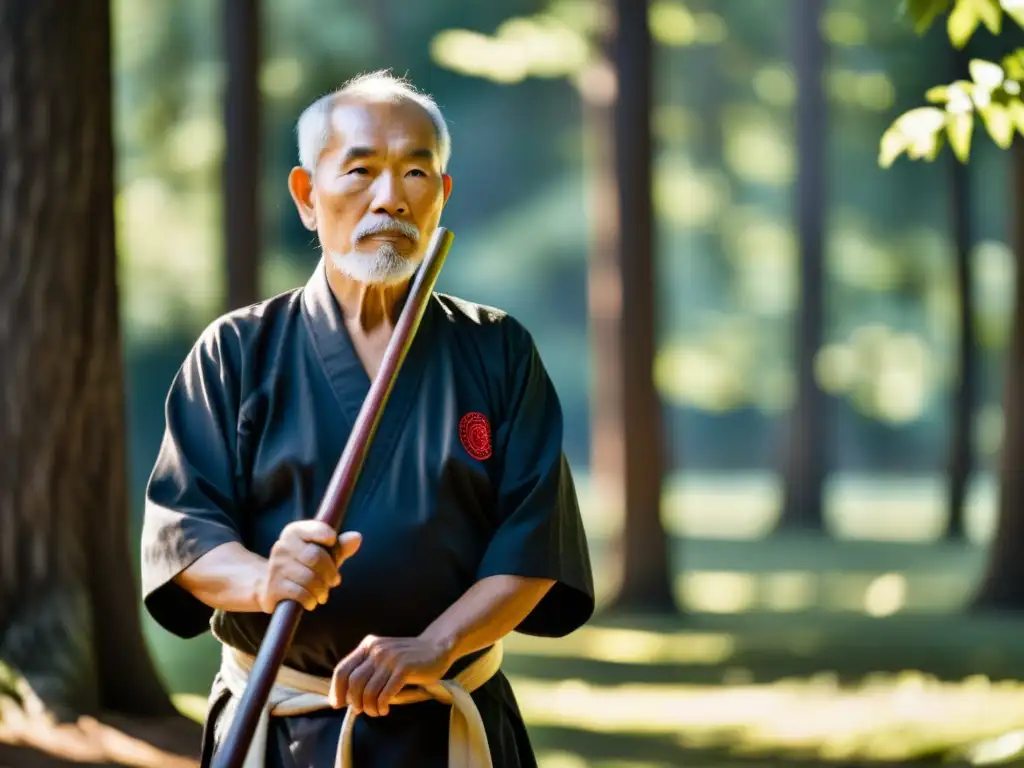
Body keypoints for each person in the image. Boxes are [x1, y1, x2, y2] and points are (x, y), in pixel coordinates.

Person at [140, 70, 595, 768]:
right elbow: (187, 536)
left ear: (441, 196)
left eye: (417, 172)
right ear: (306, 196)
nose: (390, 198)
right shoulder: (238, 351)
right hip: (282, 730)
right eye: (360, 171)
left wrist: (433, 645)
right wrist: (266, 579)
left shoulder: (497, 351)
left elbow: (534, 547)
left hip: (445, 730)